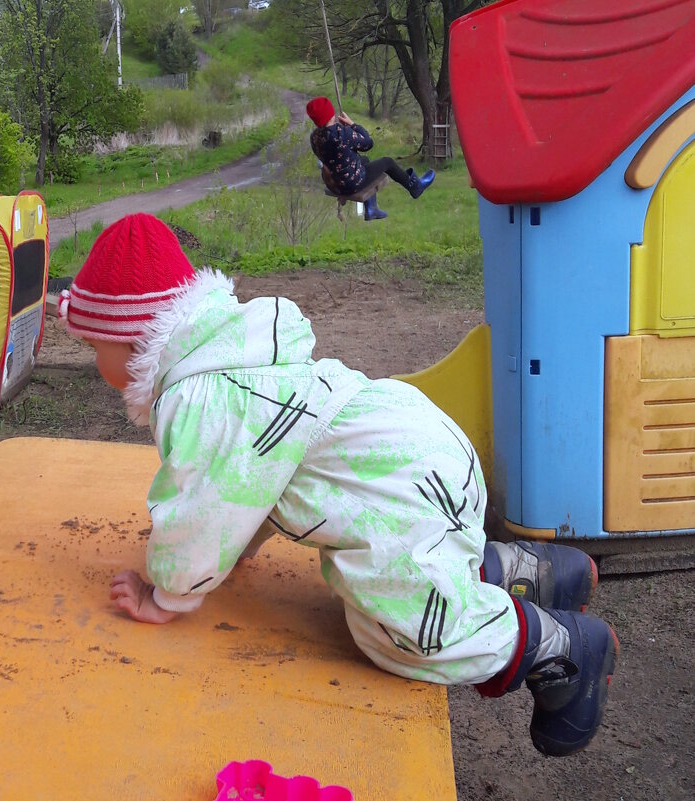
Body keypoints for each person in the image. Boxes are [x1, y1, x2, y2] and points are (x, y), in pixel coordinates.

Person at [56, 213, 618, 758]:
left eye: (92, 344)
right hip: (420, 454)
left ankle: (557, 646)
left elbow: (206, 508)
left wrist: (168, 595)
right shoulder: (235, 357)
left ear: (130, 338)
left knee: (397, 632)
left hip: (403, 488)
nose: (93, 358)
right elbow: (254, 476)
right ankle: (520, 570)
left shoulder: (201, 399)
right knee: (411, 559)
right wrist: (239, 550)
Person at [306, 96, 434, 221]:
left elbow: (337, 155)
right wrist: (353, 125)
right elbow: (368, 143)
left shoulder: (315, 137)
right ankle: (415, 187)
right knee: (387, 162)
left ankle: (371, 209)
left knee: (365, 160)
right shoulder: (341, 133)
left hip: (333, 182)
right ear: (331, 114)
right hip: (350, 183)